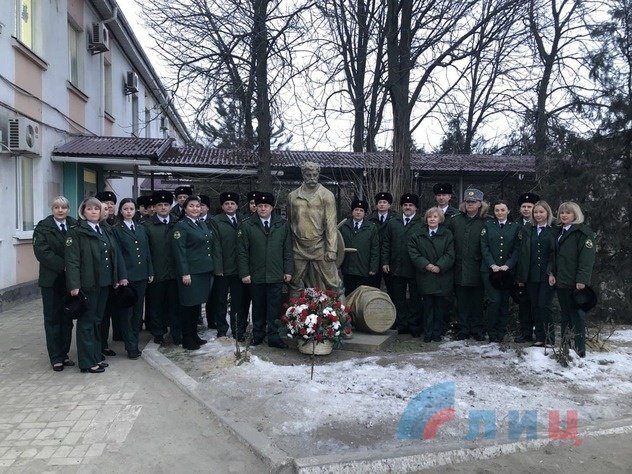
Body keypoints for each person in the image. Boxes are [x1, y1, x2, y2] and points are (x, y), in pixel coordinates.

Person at [65, 197, 127, 373]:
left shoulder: (103, 230)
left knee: (97, 321)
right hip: (87, 284)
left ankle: (95, 356)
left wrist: (118, 277)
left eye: (96, 209)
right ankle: (86, 362)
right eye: (89, 209)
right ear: (83, 212)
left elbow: (114, 255)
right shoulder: (76, 232)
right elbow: (72, 261)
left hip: (104, 283)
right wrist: (74, 285)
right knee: (86, 322)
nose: (93, 212)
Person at [237, 192, 293, 348]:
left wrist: (288, 271)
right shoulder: (247, 225)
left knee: (274, 308)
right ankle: (258, 335)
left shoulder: (282, 224)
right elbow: (242, 252)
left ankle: (274, 336)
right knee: (258, 307)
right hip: (256, 275)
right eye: (260, 206)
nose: (262, 209)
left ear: (272, 207)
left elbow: (287, 250)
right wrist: (245, 273)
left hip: (276, 275)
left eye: (266, 206)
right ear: (256, 207)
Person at [33, 196, 78, 371]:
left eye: (64, 207)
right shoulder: (43, 227)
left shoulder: (74, 224)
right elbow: (42, 252)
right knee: (52, 318)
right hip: (51, 280)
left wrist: (72, 269)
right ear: (52, 208)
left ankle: (64, 354)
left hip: (69, 280)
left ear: (68, 209)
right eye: (57, 207)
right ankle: (55, 357)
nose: (60, 210)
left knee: (67, 317)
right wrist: (65, 265)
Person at [172, 195, 222, 350]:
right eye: (191, 206)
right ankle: (187, 337)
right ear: (185, 209)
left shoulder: (202, 224)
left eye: (197, 206)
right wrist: (184, 273)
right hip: (191, 273)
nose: (195, 209)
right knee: (188, 306)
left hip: (203, 272)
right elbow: (179, 252)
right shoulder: (181, 226)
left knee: (196, 306)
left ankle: (194, 334)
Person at [550, 201, 596, 357]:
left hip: (575, 281)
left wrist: (582, 280)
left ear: (575, 215)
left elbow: (586, 260)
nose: (564, 215)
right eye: (562, 212)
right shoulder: (559, 232)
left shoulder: (582, 233)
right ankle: (565, 346)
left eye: (568, 213)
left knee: (576, 316)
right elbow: (554, 256)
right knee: (565, 315)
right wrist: (551, 273)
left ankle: (579, 349)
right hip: (561, 280)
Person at [287, 162, 341, 293]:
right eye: (308, 175)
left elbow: (331, 224)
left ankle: (341, 312)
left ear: (318, 175)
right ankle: (294, 312)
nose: (312, 177)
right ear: (303, 175)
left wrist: (332, 249)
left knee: (333, 283)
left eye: (315, 175)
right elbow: (290, 222)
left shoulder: (327, 195)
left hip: (320, 246)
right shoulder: (292, 196)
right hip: (298, 247)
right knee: (294, 282)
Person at [112, 198, 154, 359]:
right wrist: (122, 276)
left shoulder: (141, 228)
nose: (129, 211)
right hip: (127, 277)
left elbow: (147, 251)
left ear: (135, 210)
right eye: (125, 209)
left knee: (138, 312)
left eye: (131, 208)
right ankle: (130, 346)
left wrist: (150, 270)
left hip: (142, 275)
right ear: (120, 211)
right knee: (127, 313)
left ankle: (135, 342)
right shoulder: (116, 229)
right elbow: (118, 255)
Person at [447, 188, 488, 341]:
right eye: (467, 201)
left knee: (477, 301)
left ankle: (477, 328)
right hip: (460, 267)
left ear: (480, 204)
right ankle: (463, 328)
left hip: (478, 268)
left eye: (473, 202)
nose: (470, 204)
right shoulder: (455, 220)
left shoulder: (486, 221)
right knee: (462, 301)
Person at [408, 207, 455, 343]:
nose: (432, 219)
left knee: (440, 307)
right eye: (430, 217)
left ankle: (437, 333)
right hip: (425, 275)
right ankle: (427, 333)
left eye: (435, 217)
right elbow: (413, 252)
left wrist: (439, 266)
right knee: (427, 306)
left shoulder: (447, 234)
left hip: (441, 276)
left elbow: (450, 253)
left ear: (440, 219)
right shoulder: (418, 234)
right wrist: (426, 265)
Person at [381, 194, 423, 336]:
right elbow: (386, 243)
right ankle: (401, 323)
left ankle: (414, 325)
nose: (408, 207)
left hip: (415, 268)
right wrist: (385, 261)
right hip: (396, 267)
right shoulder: (393, 222)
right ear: (401, 207)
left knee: (415, 298)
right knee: (398, 298)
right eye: (405, 205)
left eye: (411, 205)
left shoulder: (422, 223)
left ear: (416, 207)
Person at [516, 200, 556, 347]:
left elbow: (555, 253)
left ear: (547, 213)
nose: (538, 215)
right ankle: (539, 337)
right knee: (535, 306)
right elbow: (523, 253)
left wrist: (552, 271)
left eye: (541, 212)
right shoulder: (529, 230)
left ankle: (549, 337)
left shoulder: (553, 230)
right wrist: (521, 276)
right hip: (531, 274)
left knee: (544, 305)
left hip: (547, 274)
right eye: (536, 212)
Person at [480, 200, 520, 343]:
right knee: (494, 300)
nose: (499, 213)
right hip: (490, 271)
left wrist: (508, 265)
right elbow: (484, 246)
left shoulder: (515, 227)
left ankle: (501, 332)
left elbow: (517, 248)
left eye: (503, 210)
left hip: (507, 272)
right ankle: (491, 331)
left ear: (508, 211)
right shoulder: (488, 226)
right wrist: (492, 264)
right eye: (497, 210)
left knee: (504, 301)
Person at [209, 192, 248, 339]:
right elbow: (216, 246)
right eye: (226, 203)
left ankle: (238, 329)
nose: (230, 206)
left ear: (237, 206)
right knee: (221, 301)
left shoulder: (244, 220)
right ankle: (221, 328)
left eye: (232, 203)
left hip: (239, 269)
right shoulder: (216, 221)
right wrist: (218, 268)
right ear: (222, 206)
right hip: (223, 269)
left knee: (238, 302)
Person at [145, 191, 181, 345]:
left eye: (166, 204)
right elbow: (146, 252)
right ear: (154, 207)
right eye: (160, 205)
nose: (163, 208)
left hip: (174, 273)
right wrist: (150, 270)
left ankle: (175, 332)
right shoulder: (147, 226)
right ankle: (158, 332)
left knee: (175, 305)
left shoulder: (177, 222)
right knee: (156, 305)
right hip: (157, 273)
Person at [514, 192, 541, 342]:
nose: (526, 209)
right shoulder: (514, 224)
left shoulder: (542, 225)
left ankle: (539, 331)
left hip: (536, 271)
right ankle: (525, 332)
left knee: (537, 304)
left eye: (529, 206)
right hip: (519, 271)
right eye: (523, 206)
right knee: (523, 303)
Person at [339, 198, 379, 296]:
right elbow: (338, 246)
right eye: (356, 210)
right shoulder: (344, 226)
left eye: (361, 211)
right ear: (352, 211)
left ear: (365, 213)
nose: (358, 213)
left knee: (363, 295)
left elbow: (375, 249)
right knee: (348, 294)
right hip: (348, 268)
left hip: (364, 268)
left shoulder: (371, 227)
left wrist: (373, 268)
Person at [368, 192, 398, 293]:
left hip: (389, 259)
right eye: (379, 202)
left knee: (392, 287)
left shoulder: (396, 219)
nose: (381, 204)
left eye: (384, 202)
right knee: (373, 286)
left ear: (389, 205)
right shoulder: (369, 219)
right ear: (376, 205)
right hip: (373, 258)